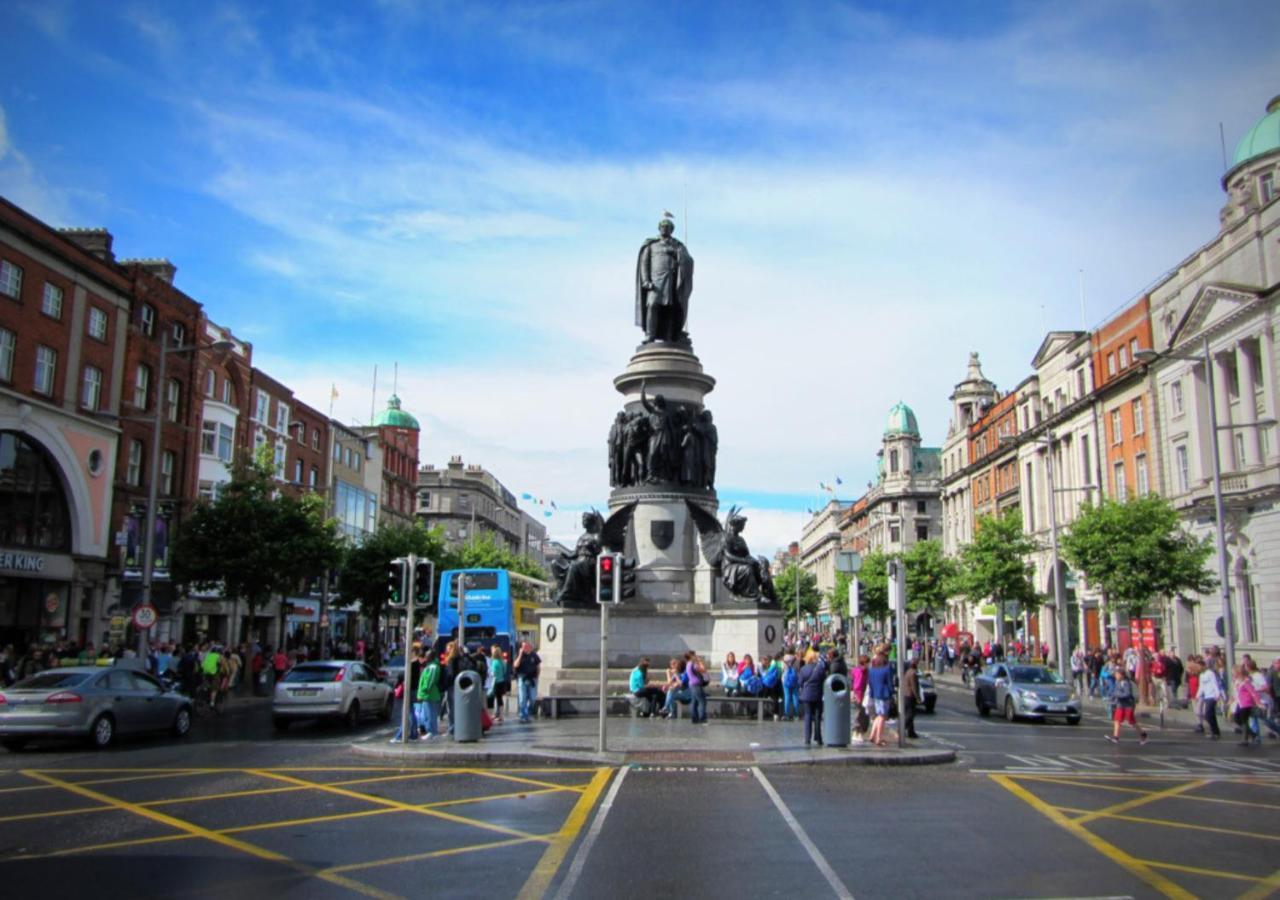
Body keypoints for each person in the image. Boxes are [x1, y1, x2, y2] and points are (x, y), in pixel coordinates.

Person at [635, 216, 694, 344]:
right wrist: (645, 280)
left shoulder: (677, 245)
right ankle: (650, 335)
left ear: (671, 230)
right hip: (655, 282)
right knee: (652, 305)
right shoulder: (651, 245)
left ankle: (669, 336)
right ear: (659, 228)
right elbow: (644, 264)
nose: (664, 229)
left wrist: (677, 254)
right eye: (662, 227)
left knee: (670, 308)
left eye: (667, 227)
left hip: (671, 281)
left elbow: (688, 260)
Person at [1106, 667, 1147, 745]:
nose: (1115, 676)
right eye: (1115, 674)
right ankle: (1116, 737)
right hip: (1120, 704)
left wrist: (1118, 695)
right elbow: (1115, 691)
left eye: (1117, 674)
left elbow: (1127, 694)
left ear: (1122, 675)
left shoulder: (1126, 683)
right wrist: (1112, 698)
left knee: (1131, 721)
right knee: (1117, 720)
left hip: (1128, 704)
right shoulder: (1117, 682)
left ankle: (1143, 734)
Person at [798, 648, 827, 747]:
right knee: (818, 717)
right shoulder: (820, 669)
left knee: (808, 716)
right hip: (818, 695)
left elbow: (800, 682)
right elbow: (824, 680)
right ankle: (818, 738)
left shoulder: (803, 669)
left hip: (806, 695)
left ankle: (807, 738)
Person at [867, 653, 895, 747]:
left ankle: (872, 735)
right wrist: (892, 692)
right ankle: (878, 738)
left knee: (878, 716)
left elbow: (870, 683)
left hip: (875, 694)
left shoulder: (871, 670)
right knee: (882, 716)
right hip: (884, 694)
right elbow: (890, 683)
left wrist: (872, 694)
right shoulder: (887, 669)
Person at [416, 648, 442, 740]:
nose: (426, 656)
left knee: (430, 714)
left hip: (429, 694)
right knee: (428, 714)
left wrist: (424, 690)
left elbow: (430, 680)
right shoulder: (430, 666)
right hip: (428, 694)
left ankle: (432, 732)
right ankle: (431, 731)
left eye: (427, 655)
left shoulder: (432, 667)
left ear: (431, 656)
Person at [513, 641, 541, 724]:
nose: (526, 647)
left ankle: (528, 712)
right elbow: (515, 665)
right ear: (521, 647)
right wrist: (521, 654)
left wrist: (537, 677)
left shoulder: (534, 655)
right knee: (522, 698)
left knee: (532, 698)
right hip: (522, 678)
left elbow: (538, 666)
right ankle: (523, 715)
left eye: (527, 646)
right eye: (524, 646)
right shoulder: (519, 655)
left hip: (532, 678)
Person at [851, 655, 870, 742]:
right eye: (867, 663)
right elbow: (858, 685)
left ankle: (858, 732)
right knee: (860, 714)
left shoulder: (856, 670)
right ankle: (857, 732)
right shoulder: (862, 672)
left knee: (861, 714)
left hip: (858, 694)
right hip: (860, 694)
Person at [686, 652, 709, 724]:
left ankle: (694, 719)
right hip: (696, 684)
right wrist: (700, 661)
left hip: (691, 684)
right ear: (691, 656)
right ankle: (702, 718)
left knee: (694, 702)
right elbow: (703, 669)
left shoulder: (688, 664)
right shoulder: (693, 664)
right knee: (702, 702)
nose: (696, 656)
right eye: (694, 655)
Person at [901, 660, 922, 739]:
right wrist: (918, 697)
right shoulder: (913, 673)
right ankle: (902, 729)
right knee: (910, 715)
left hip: (905, 695)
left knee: (909, 714)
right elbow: (914, 687)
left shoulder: (907, 672)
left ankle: (911, 732)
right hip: (910, 696)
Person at [488, 644, 508, 724]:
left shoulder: (494, 662)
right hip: (502, 681)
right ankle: (501, 715)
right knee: (500, 698)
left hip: (495, 682)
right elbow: (505, 671)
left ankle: (493, 714)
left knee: (492, 698)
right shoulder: (503, 662)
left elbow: (493, 673)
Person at [781, 654, 800, 721]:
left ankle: (786, 714)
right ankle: (796, 715)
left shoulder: (784, 659)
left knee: (787, 697)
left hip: (785, 680)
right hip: (795, 679)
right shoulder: (796, 659)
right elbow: (798, 669)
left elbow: (782, 669)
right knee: (795, 696)